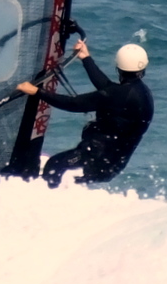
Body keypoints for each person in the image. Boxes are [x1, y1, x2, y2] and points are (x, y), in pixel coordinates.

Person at [16, 39, 153, 187]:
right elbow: (107, 87)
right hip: (113, 163)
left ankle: (44, 198)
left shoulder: (116, 95)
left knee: (54, 165)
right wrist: (85, 58)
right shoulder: (142, 93)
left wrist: (36, 91)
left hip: (97, 160)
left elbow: (73, 104)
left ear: (118, 67)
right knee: (68, 176)